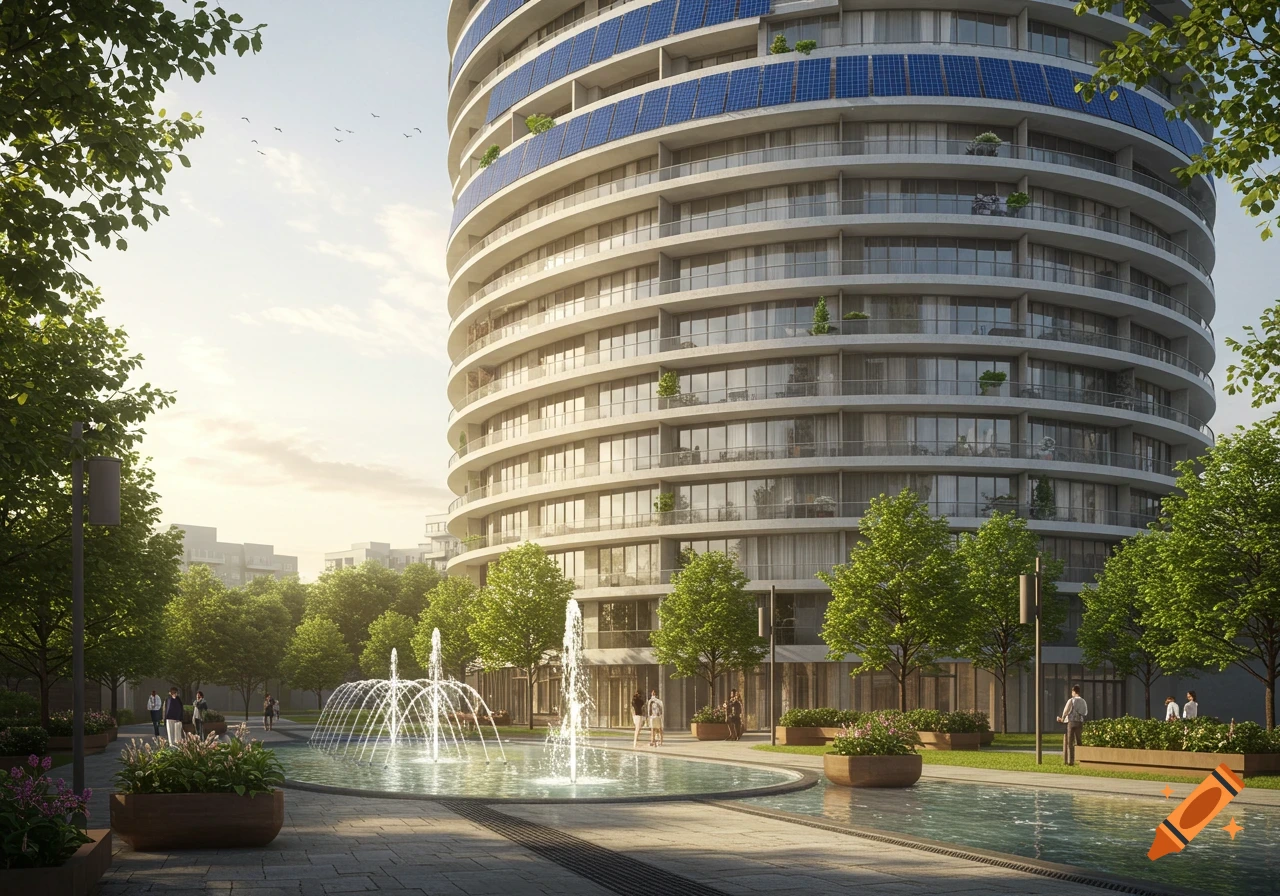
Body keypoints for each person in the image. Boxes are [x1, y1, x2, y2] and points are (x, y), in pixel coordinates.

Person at [1057, 685, 1087, 766]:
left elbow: (1066, 711)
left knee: (1070, 742)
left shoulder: (1071, 700)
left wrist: (1062, 718)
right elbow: (1085, 712)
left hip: (1071, 722)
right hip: (1079, 722)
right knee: (1079, 740)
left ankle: (1071, 761)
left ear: (1073, 691)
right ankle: (1081, 759)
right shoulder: (1083, 701)